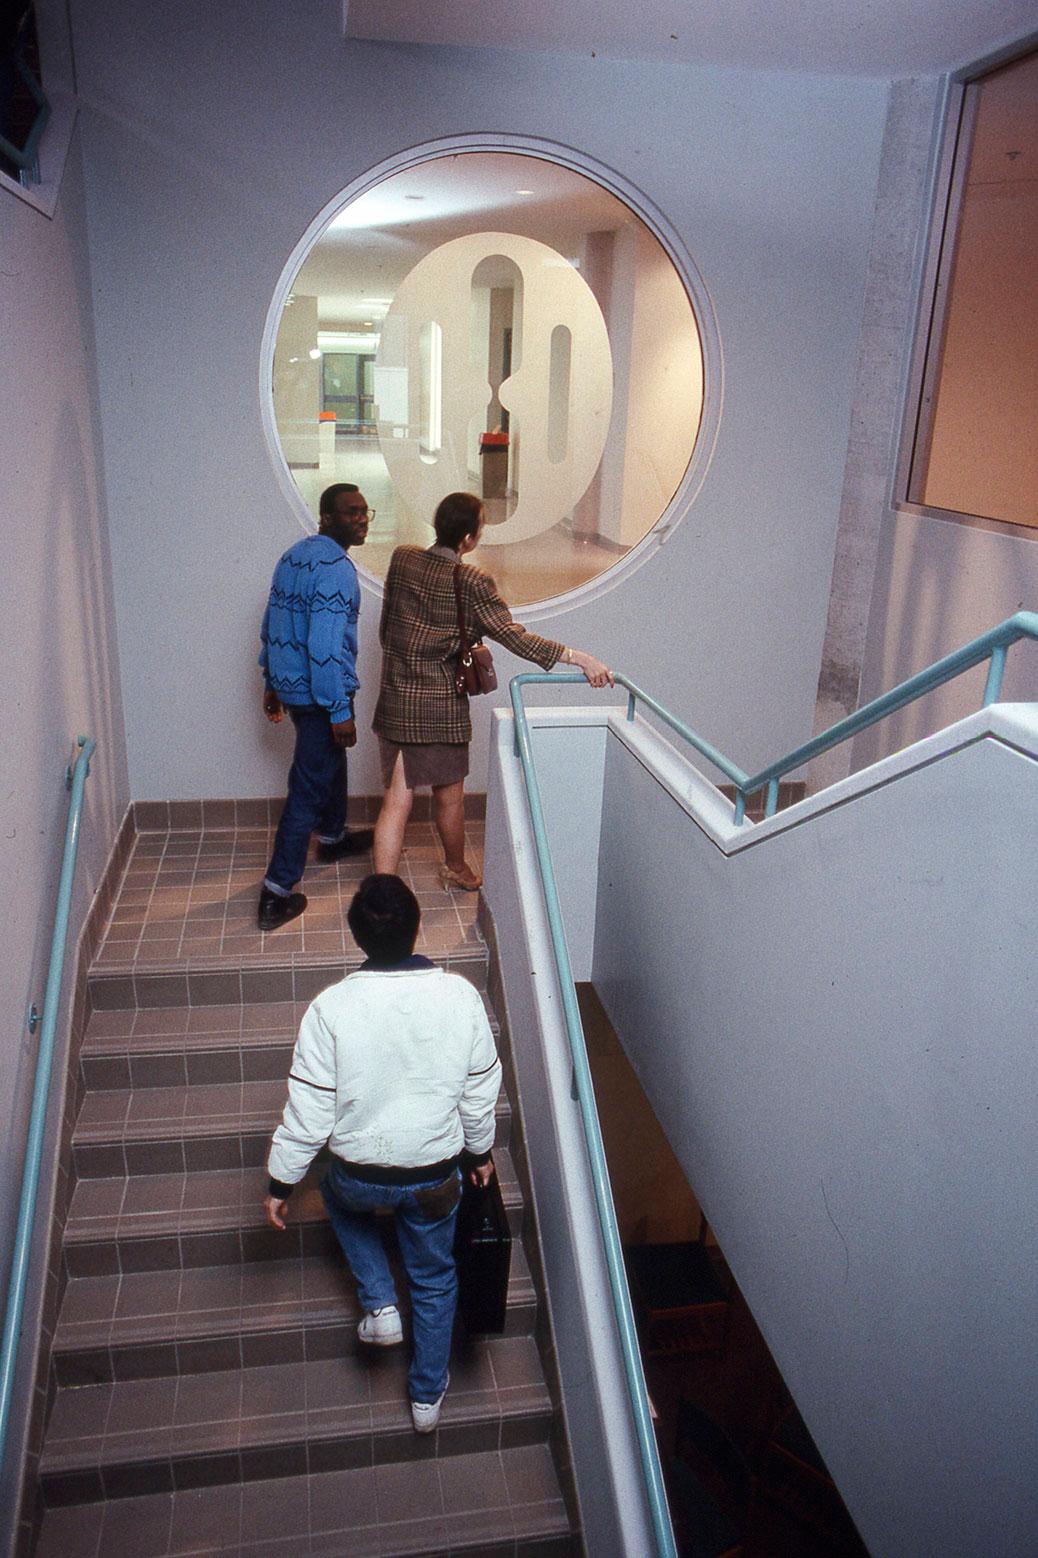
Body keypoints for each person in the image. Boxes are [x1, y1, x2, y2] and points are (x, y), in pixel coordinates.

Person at [264, 873, 501, 1432]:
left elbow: (311, 1111)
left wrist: (280, 1184)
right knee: (435, 1277)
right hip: (436, 1176)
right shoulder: (460, 996)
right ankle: (425, 1400)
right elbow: (478, 1090)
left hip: (359, 1175)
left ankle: (380, 1303)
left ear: (356, 936)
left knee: (334, 1195)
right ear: (418, 927)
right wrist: (480, 1153)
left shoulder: (329, 1009)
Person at [372, 490, 612, 889]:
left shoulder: (403, 559)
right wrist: (580, 658)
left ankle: (380, 894)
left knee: (398, 798)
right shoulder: (471, 581)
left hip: (396, 698)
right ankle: (456, 867)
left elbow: (386, 629)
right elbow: (514, 637)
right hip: (440, 708)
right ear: (469, 539)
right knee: (449, 796)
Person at [257, 483, 375, 931]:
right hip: (318, 693)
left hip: (293, 688)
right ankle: (276, 892)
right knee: (307, 786)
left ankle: (332, 837)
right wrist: (338, 708)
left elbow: (273, 621)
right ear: (325, 517)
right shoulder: (337, 569)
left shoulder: (292, 556)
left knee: (329, 759)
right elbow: (324, 646)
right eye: (350, 513)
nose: (361, 520)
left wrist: (271, 680)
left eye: (365, 512)